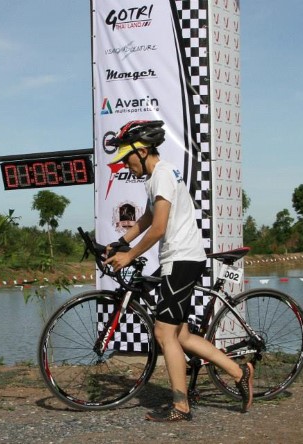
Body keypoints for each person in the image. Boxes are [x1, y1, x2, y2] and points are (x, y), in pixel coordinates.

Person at [104, 120, 254, 422]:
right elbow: (149, 218)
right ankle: (239, 373)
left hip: (181, 259)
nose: (124, 165)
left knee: (163, 332)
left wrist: (129, 256)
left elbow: (159, 228)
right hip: (182, 258)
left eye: (126, 158)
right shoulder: (157, 176)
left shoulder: (161, 175)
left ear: (142, 151)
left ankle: (181, 406)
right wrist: (121, 242)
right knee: (181, 334)